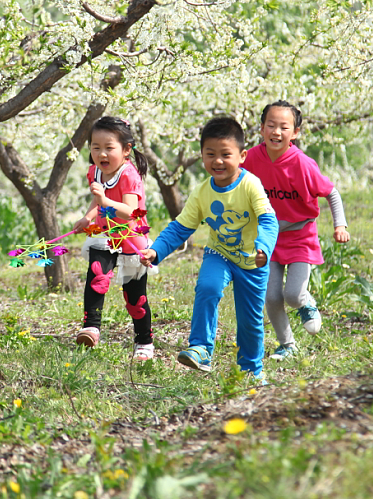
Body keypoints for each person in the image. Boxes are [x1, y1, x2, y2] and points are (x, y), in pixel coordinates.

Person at [139, 117, 278, 377]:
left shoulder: (250, 185)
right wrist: (156, 250)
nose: (218, 161)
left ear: (242, 155)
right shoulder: (202, 192)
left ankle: (251, 370)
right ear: (202, 156)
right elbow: (181, 227)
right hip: (220, 254)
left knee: (250, 322)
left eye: (226, 154)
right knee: (207, 287)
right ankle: (200, 349)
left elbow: (268, 220)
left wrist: (264, 247)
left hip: (253, 260)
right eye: (210, 154)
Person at [242, 100, 350, 361]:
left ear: (295, 133)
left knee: (292, 295)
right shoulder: (252, 158)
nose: (276, 132)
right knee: (271, 295)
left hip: (300, 236)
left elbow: (331, 193)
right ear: (261, 128)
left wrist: (340, 225)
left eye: (284, 127)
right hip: (268, 237)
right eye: (271, 125)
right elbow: (235, 182)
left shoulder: (303, 164)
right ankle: (287, 345)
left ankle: (305, 302)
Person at [72, 116, 155, 361]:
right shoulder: (95, 172)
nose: (102, 153)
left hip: (130, 237)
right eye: (96, 147)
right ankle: (91, 327)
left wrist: (105, 201)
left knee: (134, 298)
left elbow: (130, 211)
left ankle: (144, 342)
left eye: (109, 148)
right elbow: (96, 201)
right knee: (97, 274)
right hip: (105, 233)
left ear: (126, 150)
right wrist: (88, 217)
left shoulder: (130, 176)